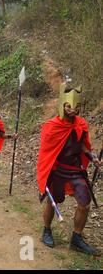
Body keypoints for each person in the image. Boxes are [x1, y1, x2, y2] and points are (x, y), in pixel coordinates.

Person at [37, 83, 101, 255]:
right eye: (69, 106)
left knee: (85, 204)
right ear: (62, 105)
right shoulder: (52, 125)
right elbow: (46, 152)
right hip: (57, 171)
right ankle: (47, 230)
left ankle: (76, 238)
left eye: (77, 106)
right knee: (53, 201)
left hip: (75, 170)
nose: (73, 109)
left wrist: (92, 157)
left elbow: (81, 145)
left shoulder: (80, 123)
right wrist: (46, 172)